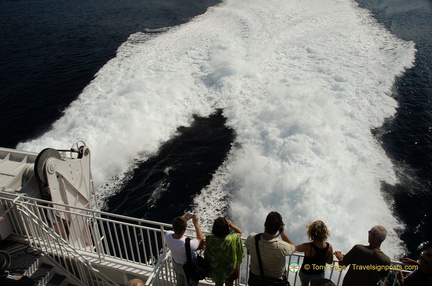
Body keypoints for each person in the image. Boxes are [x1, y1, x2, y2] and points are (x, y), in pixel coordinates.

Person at [245, 211, 296, 286]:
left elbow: (247, 246)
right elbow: (293, 247)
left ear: (265, 224)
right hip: (274, 282)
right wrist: (282, 233)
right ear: (279, 228)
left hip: (255, 280)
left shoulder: (251, 238)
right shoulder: (282, 247)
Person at [164, 213, 204, 286]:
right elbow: (201, 239)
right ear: (185, 229)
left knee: (180, 282)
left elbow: (175, 230)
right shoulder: (189, 244)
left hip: (176, 264)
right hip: (188, 268)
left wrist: (184, 220)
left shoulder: (167, 235)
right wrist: (196, 223)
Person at [204, 217, 244, 286]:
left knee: (218, 283)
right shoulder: (231, 239)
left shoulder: (209, 238)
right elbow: (239, 232)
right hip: (229, 267)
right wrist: (231, 225)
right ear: (226, 228)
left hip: (216, 267)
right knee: (229, 283)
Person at [296, 220, 334, 286]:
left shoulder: (308, 246)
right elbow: (330, 261)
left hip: (306, 272)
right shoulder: (329, 247)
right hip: (319, 273)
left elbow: (294, 248)